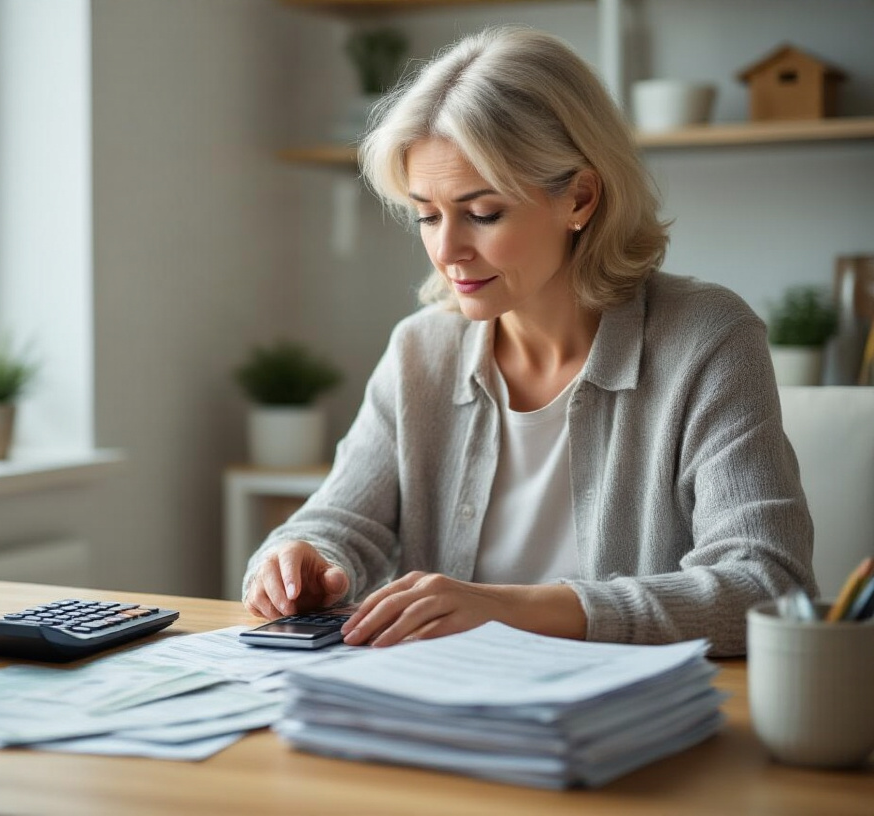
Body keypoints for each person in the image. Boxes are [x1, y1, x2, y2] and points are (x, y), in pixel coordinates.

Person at [241, 26, 815, 657]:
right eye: (427, 215)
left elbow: (767, 585)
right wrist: (295, 563)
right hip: (437, 710)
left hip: (623, 727)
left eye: (483, 213)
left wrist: (501, 607)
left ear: (580, 197)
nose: (446, 250)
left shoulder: (705, 339)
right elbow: (335, 523)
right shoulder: (420, 352)